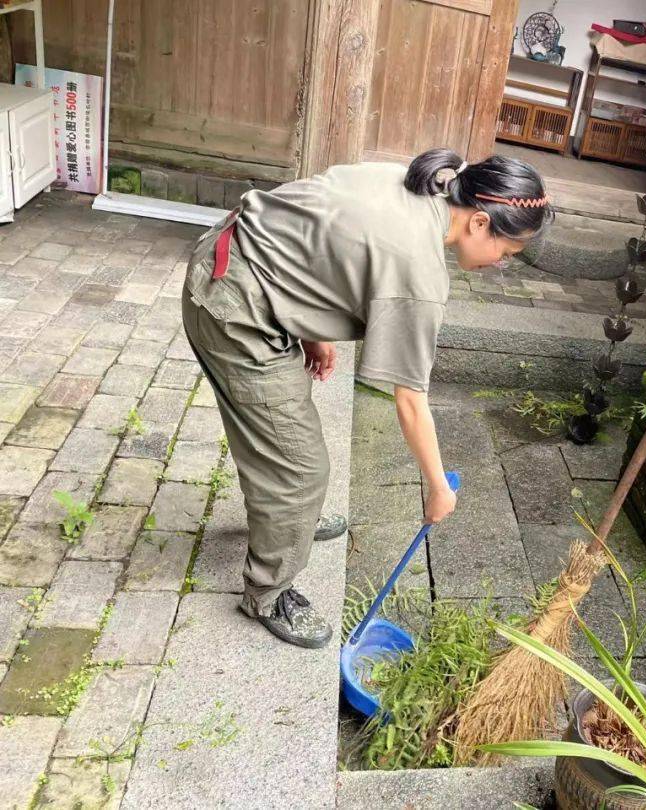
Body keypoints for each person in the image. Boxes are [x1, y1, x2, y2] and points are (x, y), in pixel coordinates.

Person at [182, 149, 552, 648]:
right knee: (299, 468)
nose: (501, 265)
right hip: (234, 304)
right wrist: (439, 487)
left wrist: (311, 322)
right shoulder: (418, 273)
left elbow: (317, 232)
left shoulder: (413, 184)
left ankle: (289, 522)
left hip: (236, 257)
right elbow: (410, 402)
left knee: (278, 432)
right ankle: (268, 594)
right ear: (480, 222)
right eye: (507, 253)